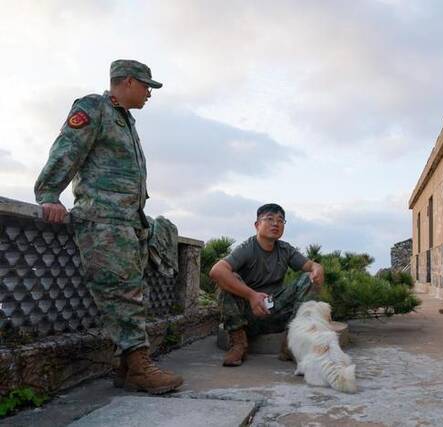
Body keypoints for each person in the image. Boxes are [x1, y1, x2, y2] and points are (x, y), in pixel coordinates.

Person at [34, 59, 183, 394]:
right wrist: (48, 193)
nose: (149, 93)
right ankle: (141, 368)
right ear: (127, 82)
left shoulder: (125, 120)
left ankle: (127, 369)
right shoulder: (93, 107)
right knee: (124, 296)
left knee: (130, 293)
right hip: (102, 221)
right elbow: (67, 149)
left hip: (126, 222)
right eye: (146, 86)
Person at [209, 203, 325, 367]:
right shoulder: (247, 248)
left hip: (276, 311)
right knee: (227, 280)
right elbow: (216, 271)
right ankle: (238, 344)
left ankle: (291, 343)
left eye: (280, 220)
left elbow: (309, 266)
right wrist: (251, 295)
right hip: (249, 315)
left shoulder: (285, 249)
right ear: (257, 225)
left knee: (308, 279)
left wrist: (317, 267)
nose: (275, 224)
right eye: (269, 219)